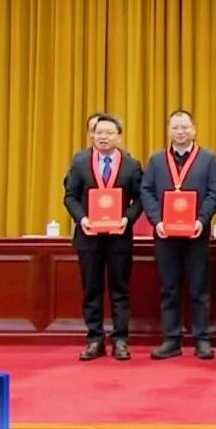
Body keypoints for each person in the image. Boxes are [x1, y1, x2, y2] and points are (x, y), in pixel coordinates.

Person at [140, 109, 216, 360]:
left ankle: (202, 339)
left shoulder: (208, 158)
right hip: (165, 235)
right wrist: (157, 220)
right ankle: (171, 339)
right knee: (169, 288)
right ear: (168, 131)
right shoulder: (156, 160)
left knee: (199, 288)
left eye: (185, 127)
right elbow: (146, 191)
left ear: (194, 130)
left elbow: (214, 192)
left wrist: (202, 220)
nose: (180, 132)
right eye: (175, 127)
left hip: (196, 234)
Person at [62, 114, 143, 361]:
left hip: (119, 237)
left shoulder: (131, 165)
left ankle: (120, 340)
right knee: (91, 289)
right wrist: (82, 219)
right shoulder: (80, 162)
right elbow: (70, 197)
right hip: (89, 236)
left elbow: (140, 198)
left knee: (120, 290)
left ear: (119, 137)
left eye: (109, 133)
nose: (103, 137)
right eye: (99, 133)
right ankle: (94, 339)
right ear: (92, 135)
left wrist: (127, 219)